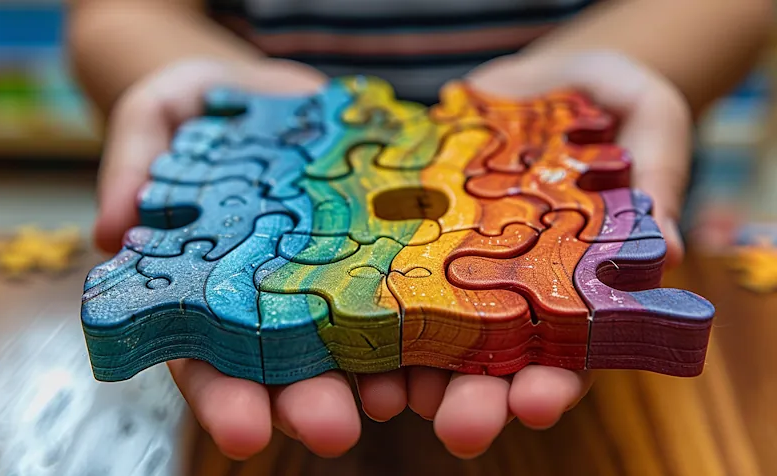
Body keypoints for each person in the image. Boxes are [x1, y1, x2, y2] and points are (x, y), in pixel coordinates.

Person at [66, 0, 774, 461]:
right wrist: (197, 79)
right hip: (262, 249)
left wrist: (638, 63)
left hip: (565, 224)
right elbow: (117, 13)